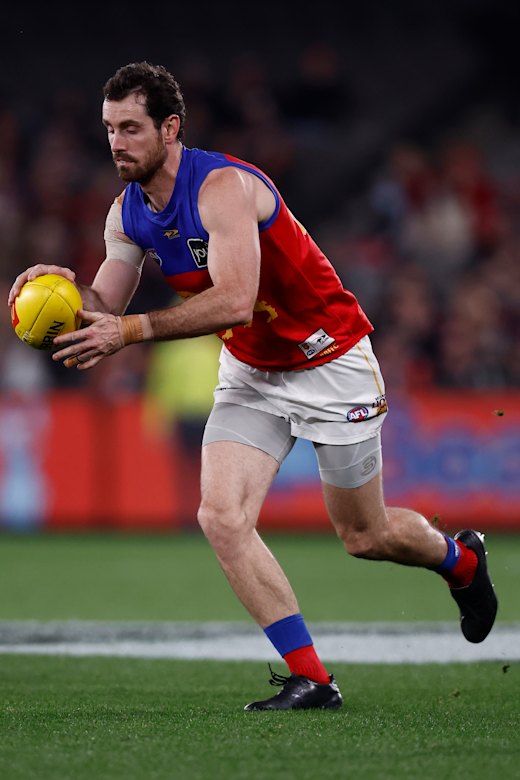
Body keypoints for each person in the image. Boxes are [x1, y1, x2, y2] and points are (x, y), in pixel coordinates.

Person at [8, 62, 498, 711]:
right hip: (251, 372)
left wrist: (127, 333)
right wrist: (61, 294)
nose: (117, 142)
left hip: (330, 359)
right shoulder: (126, 214)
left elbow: (236, 299)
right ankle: (313, 680)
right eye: (108, 129)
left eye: (131, 127)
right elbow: (107, 302)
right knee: (220, 516)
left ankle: (460, 562)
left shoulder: (223, 188)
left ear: (171, 127)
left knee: (364, 535)